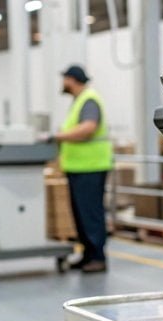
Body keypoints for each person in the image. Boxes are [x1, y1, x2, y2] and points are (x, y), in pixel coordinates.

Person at [50, 65, 113, 273]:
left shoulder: (89, 100)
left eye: (64, 79)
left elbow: (88, 128)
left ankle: (97, 257)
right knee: (80, 214)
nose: (62, 84)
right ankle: (87, 255)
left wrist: (58, 136)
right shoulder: (80, 100)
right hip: (79, 167)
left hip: (91, 166)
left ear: (72, 80)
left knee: (91, 213)